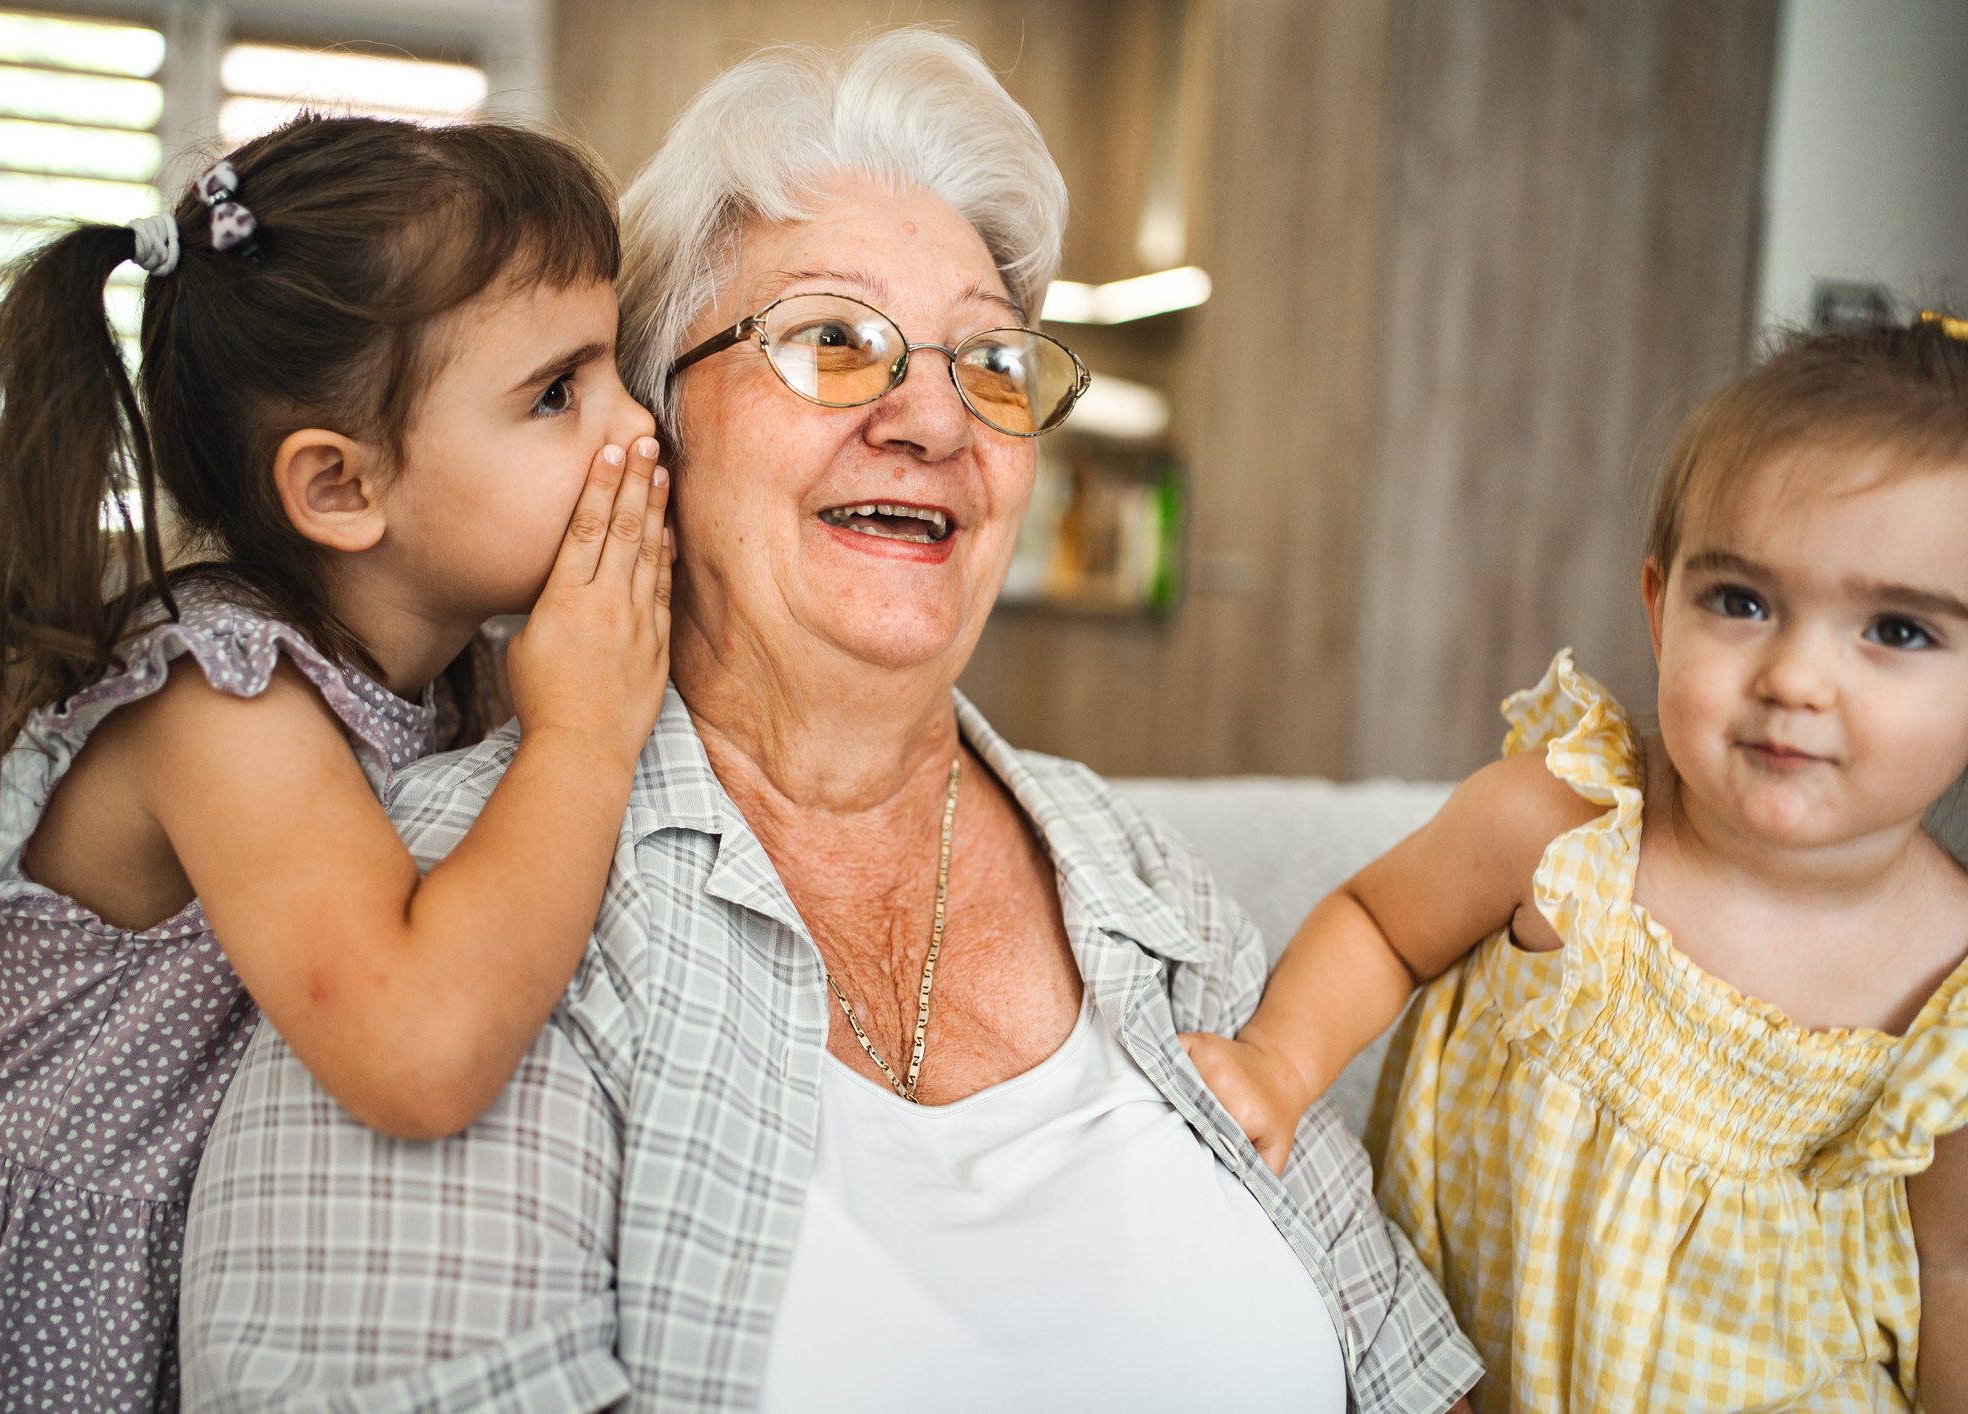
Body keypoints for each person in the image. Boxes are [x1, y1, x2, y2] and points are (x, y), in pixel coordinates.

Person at [180, 30, 1481, 1414]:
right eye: (832, 339)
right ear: (649, 430)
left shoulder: (1139, 881)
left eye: (991, 359)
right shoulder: (453, 900)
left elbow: (1407, 1368)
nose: (936, 416)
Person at [0, 116, 671, 1410]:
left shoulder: (425, 676)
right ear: (339, 489)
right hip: (18, 1302)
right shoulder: (225, 701)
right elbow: (418, 1047)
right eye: (559, 392)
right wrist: (582, 736)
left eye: (617, 368)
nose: (638, 429)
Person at [1185, 314, 1968, 1410]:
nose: (1796, 677)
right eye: (1741, 602)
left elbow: (1952, 1268)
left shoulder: (1952, 993)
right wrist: (1277, 1060)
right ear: (1660, 607)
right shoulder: (1565, 826)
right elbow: (1378, 923)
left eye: (1896, 630)